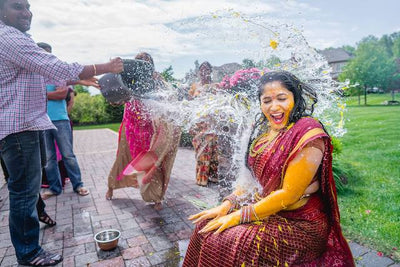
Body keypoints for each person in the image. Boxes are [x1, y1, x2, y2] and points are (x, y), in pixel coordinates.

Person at [183, 71, 354, 266]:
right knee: (205, 226)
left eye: (282, 98)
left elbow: (289, 194)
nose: (274, 107)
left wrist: (239, 216)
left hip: (299, 223)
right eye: (267, 100)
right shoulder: (263, 129)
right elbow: (250, 181)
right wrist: (228, 205)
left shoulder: (307, 131)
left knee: (223, 239)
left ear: (295, 98)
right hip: (266, 209)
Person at [0, 0, 123, 265]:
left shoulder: (12, 39)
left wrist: (78, 79)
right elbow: (57, 68)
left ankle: (30, 241)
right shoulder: (9, 38)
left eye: (27, 6)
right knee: (23, 193)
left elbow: (44, 75)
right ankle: (29, 254)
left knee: (26, 190)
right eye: (17, 6)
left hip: (22, 126)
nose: (26, 12)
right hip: (19, 129)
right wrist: (106, 67)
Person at [106, 52, 181, 211]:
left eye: (147, 63)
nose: (143, 66)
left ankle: (156, 197)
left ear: (151, 65)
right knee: (123, 157)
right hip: (131, 125)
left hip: (150, 127)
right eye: (140, 62)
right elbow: (116, 102)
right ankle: (112, 186)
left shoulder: (157, 81)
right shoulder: (128, 79)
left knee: (152, 160)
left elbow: (169, 100)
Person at [36, 42, 89, 200]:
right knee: (49, 159)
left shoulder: (58, 73)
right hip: (42, 121)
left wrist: (39, 94)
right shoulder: (34, 75)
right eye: (43, 53)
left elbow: (61, 95)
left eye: (49, 53)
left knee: (68, 155)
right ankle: (55, 188)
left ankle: (78, 185)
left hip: (60, 120)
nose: (47, 57)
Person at [189, 61, 219, 186]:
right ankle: (201, 179)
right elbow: (190, 105)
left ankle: (212, 176)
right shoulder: (194, 87)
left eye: (206, 69)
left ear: (210, 71)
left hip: (211, 122)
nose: (203, 72)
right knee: (201, 150)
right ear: (199, 72)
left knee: (212, 151)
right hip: (198, 124)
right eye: (201, 69)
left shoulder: (215, 87)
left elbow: (219, 104)